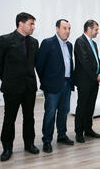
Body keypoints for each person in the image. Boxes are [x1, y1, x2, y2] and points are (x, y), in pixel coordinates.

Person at [0, 12, 39, 162]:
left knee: (29, 118)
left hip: (29, 88)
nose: (33, 27)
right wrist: (7, 79)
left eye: (33, 24)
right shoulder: (5, 40)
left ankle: (29, 144)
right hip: (12, 88)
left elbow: (33, 64)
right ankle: (7, 148)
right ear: (21, 23)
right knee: (9, 118)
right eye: (31, 24)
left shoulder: (34, 42)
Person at [36, 19, 74, 153]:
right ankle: (47, 140)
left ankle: (62, 136)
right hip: (52, 86)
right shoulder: (47, 43)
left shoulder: (69, 45)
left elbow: (69, 64)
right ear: (57, 28)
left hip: (67, 84)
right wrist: (46, 82)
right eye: (64, 28)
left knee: (64, 112)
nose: (67, 31)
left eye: (69, 28)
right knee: (50, 113)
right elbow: (39, 65)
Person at [73, 20, 100, 143]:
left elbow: (97, 60)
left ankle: (88, 129)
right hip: (85, 81)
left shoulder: (94, 43)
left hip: (94, 81)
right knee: (82, 107)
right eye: (96, 29)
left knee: (90, 106)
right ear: (89, 29)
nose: (97, 32)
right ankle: (79, 132)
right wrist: (95, 75)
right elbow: (84, 62)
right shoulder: (80, 41)